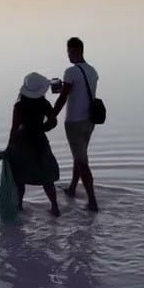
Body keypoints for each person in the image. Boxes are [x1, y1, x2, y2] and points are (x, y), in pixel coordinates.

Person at [52, 37, 100, 211]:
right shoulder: (92, 71)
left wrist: (51, 116)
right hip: (89, 122)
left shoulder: (71, 72)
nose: (68, 55)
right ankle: (72, 188)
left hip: (74, 123)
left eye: (69, 51)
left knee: (81, 161)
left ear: (75, 50)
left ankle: (92, 201)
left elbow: (63, 97)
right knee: (79, 156)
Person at [4, 72, 61, 217]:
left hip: (22, 143)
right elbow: (53, 121)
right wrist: (43, 128)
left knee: (20, 177)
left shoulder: (19, 106)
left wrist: (9, 147)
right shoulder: (44, 103)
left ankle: (19, 205)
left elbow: (14, 128)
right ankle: (55, 207)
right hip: (40, 141)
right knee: (46, 178)